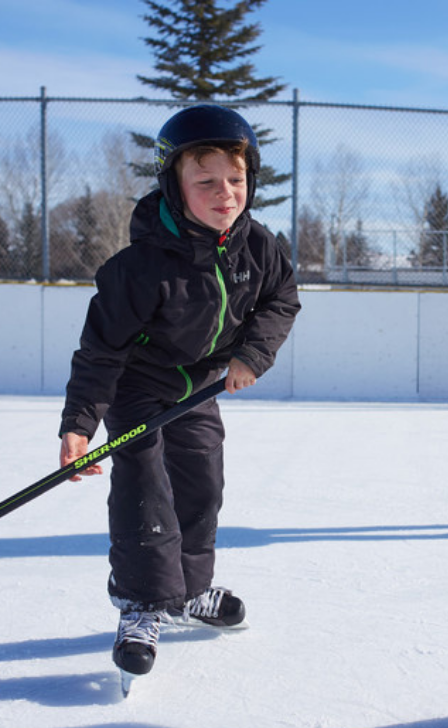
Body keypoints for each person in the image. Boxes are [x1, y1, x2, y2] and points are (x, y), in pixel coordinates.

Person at [58, 104, 300, 686]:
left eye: (236, 180)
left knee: (201, 482)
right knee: (145, 484)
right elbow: (100, 352)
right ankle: (141, 601)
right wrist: (79, 423)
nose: (225, 193)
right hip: (139, 386)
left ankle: (188, 591)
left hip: (200, 386)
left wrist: (252, 356)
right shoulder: (137, 269)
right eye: (207, 181)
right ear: (175, 185)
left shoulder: (258, 248)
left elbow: (281, 300)